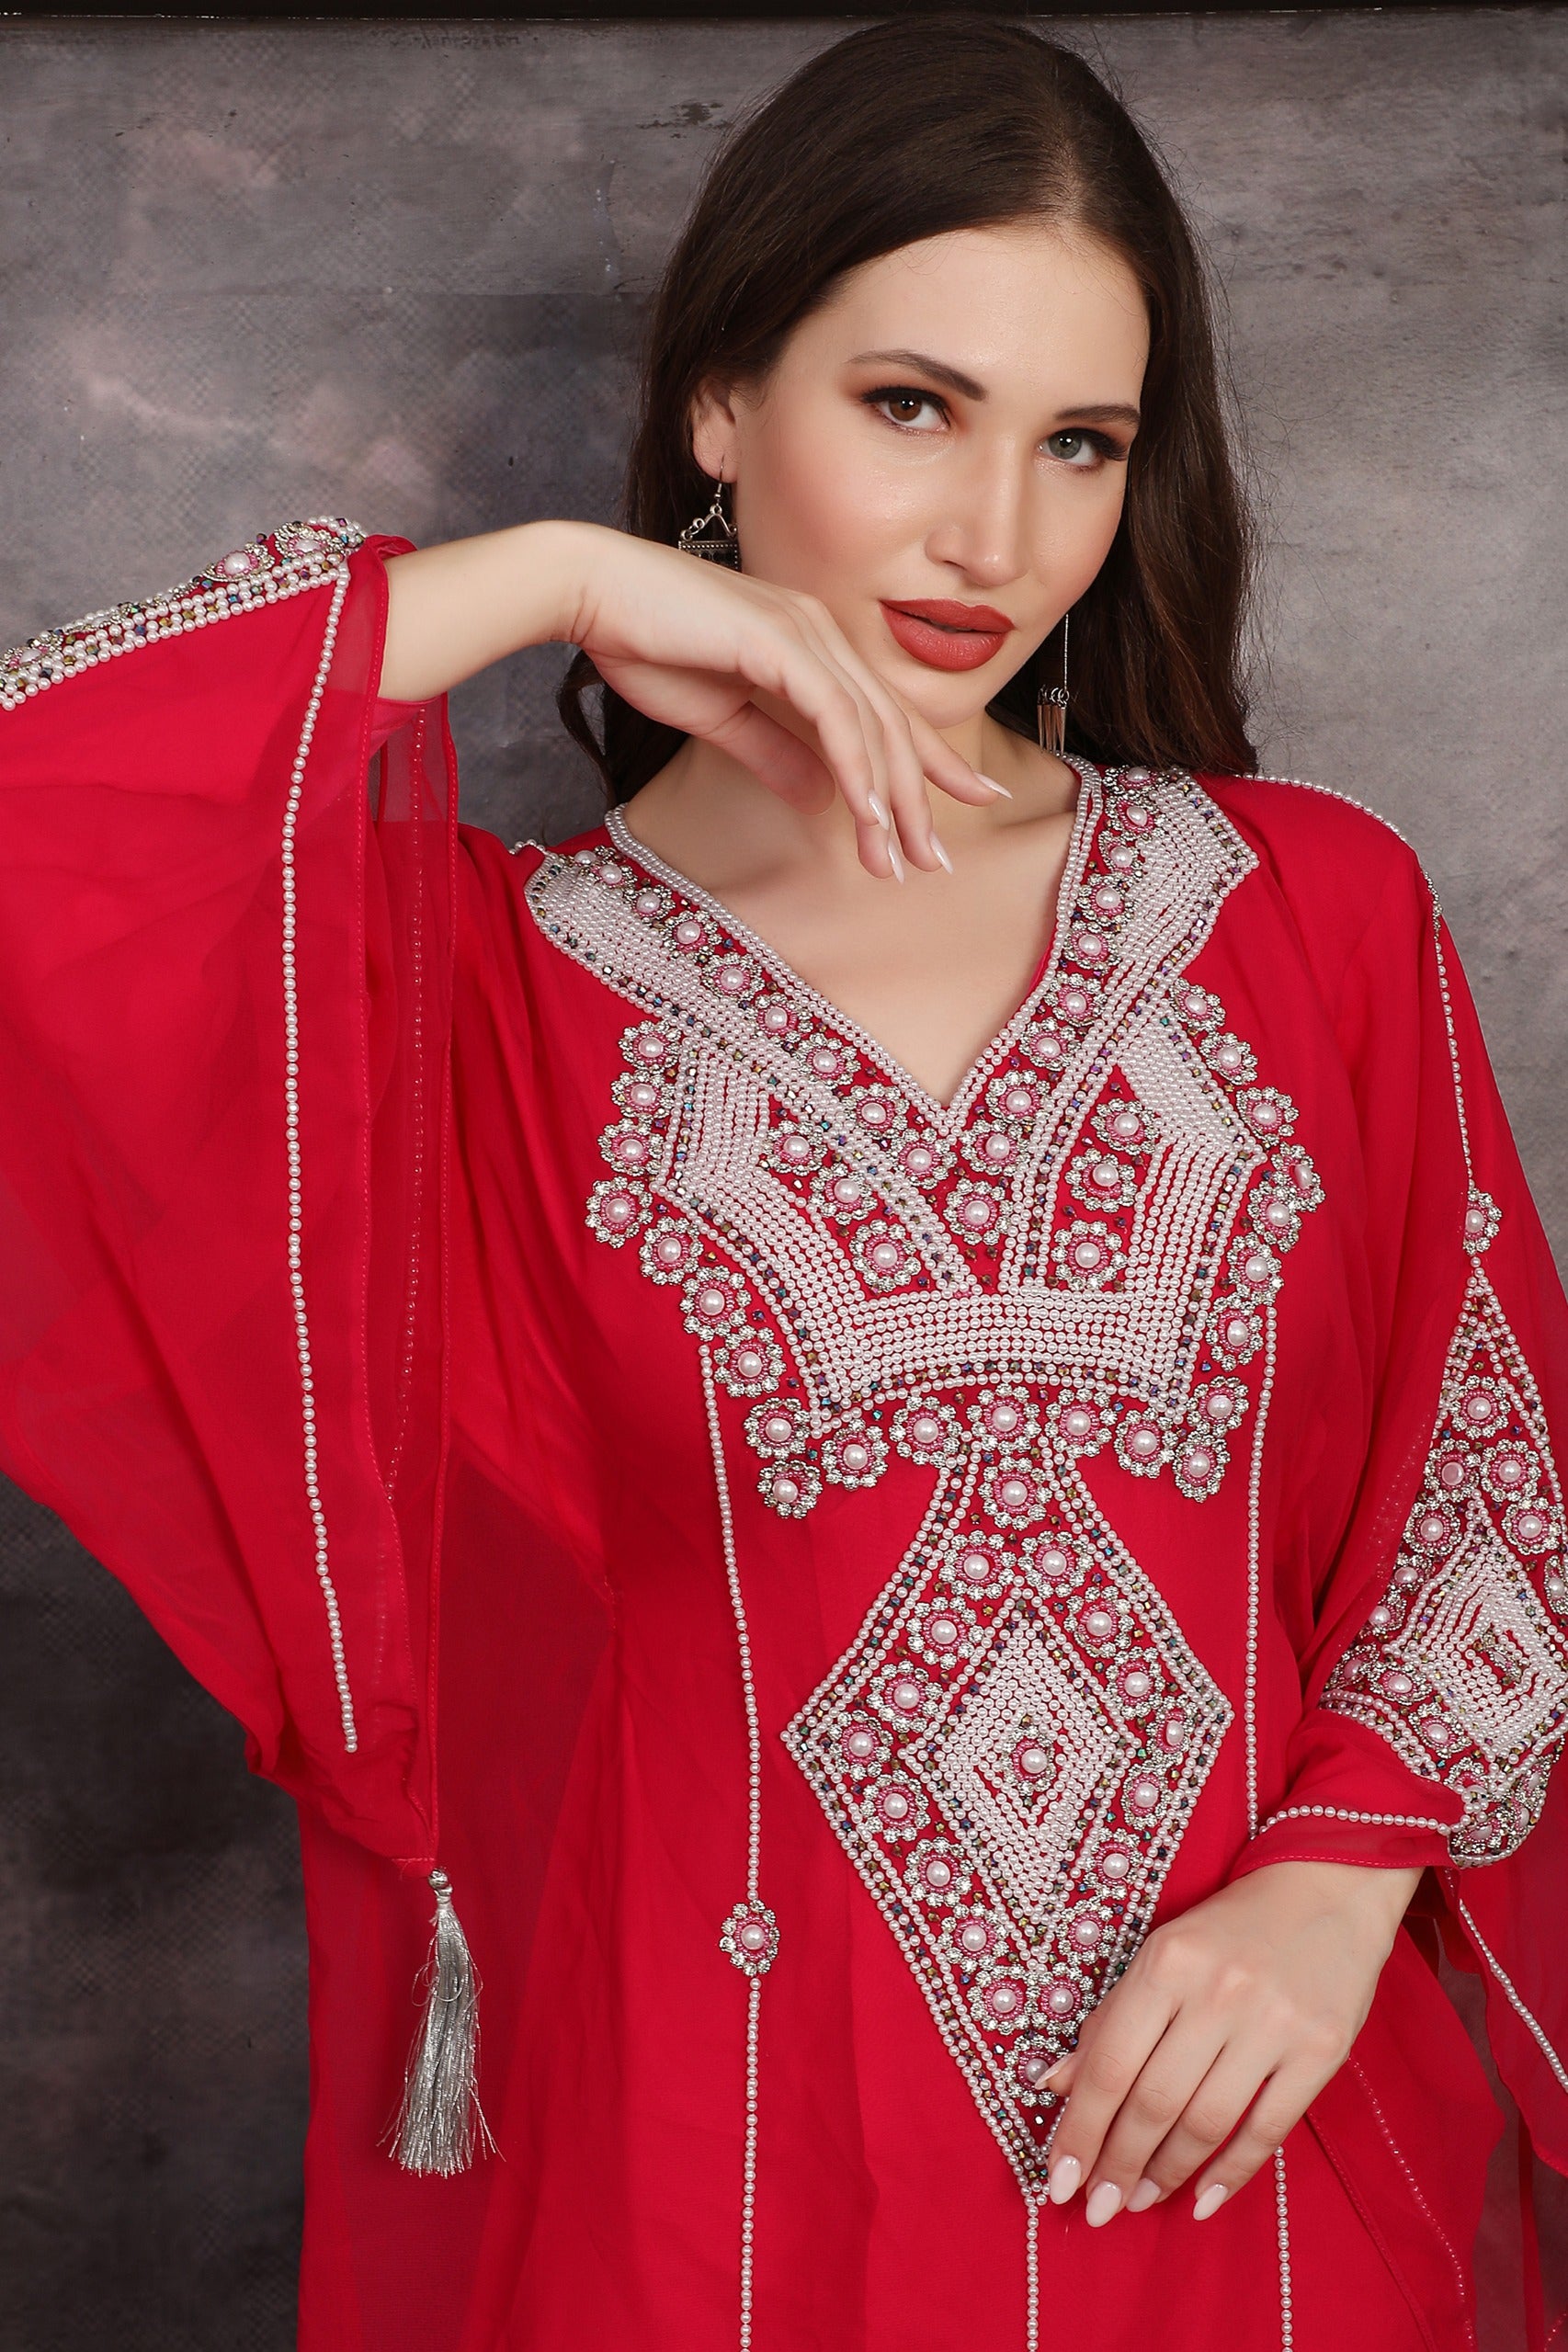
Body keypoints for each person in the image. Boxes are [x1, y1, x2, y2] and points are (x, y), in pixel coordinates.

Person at [1, 19, 1564, 2350]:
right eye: (911, 406)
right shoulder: (469, 1004)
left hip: (1242, 2173)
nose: (995, 536)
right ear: (722, 403)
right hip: (705, 2197)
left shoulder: (1305, 908)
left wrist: (1334, 1885)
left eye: (1080, 443)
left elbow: (1484, 1486)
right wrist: (540, 577)